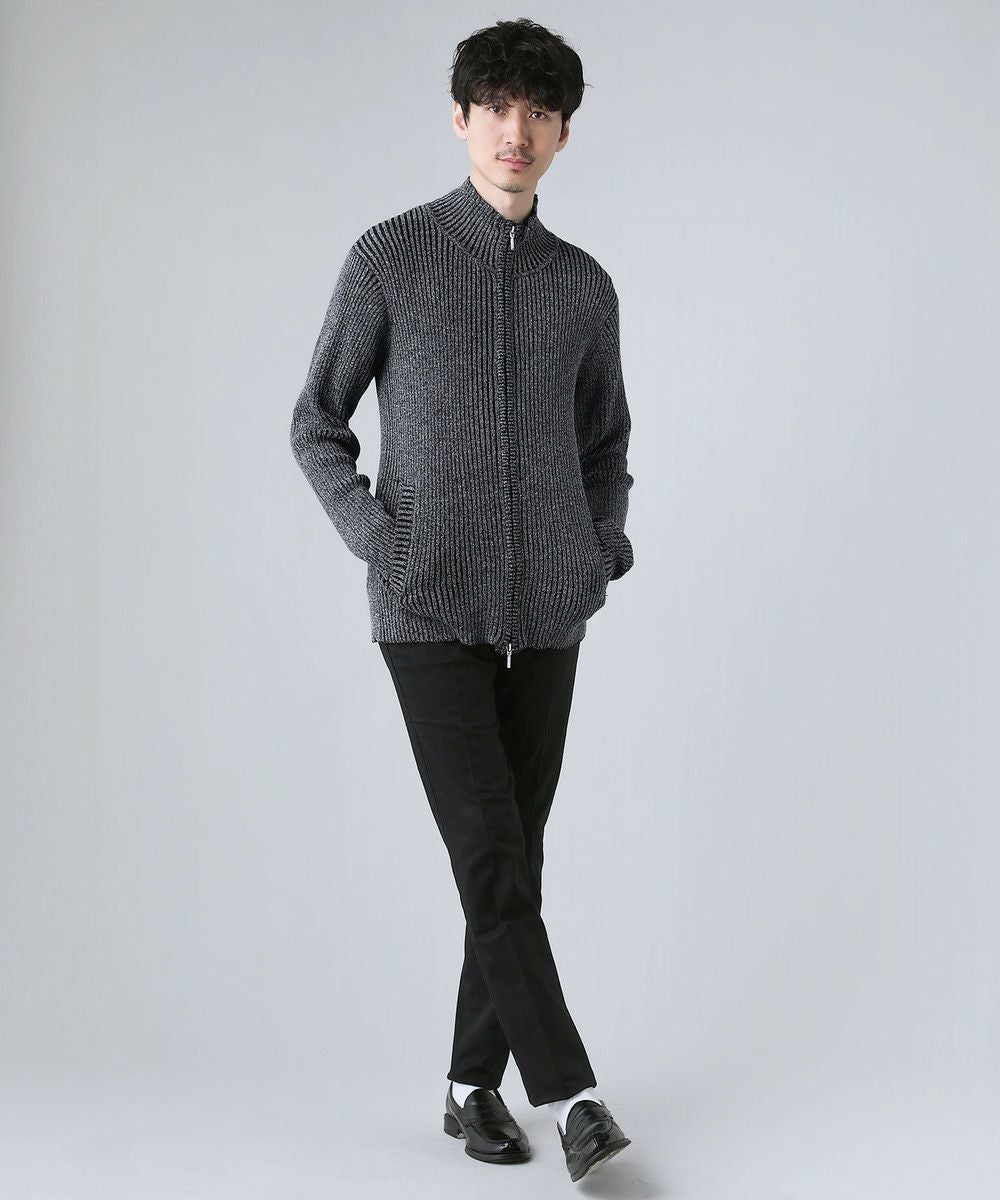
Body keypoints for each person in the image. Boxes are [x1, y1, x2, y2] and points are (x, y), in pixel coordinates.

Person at [290, 17, 635, 1184]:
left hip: (549, 612)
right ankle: (574, 1098)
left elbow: (605, 444)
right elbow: (316, 422)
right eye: (495, 107)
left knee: (510, 859)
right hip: (425, 607)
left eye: (538, 112)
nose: (514, 130)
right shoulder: (392, 256)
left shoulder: (582, 286)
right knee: (489, 849)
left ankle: (465, 1088)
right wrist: (378, 543)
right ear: (459, 117)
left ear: (563, 134)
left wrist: (598, 550)